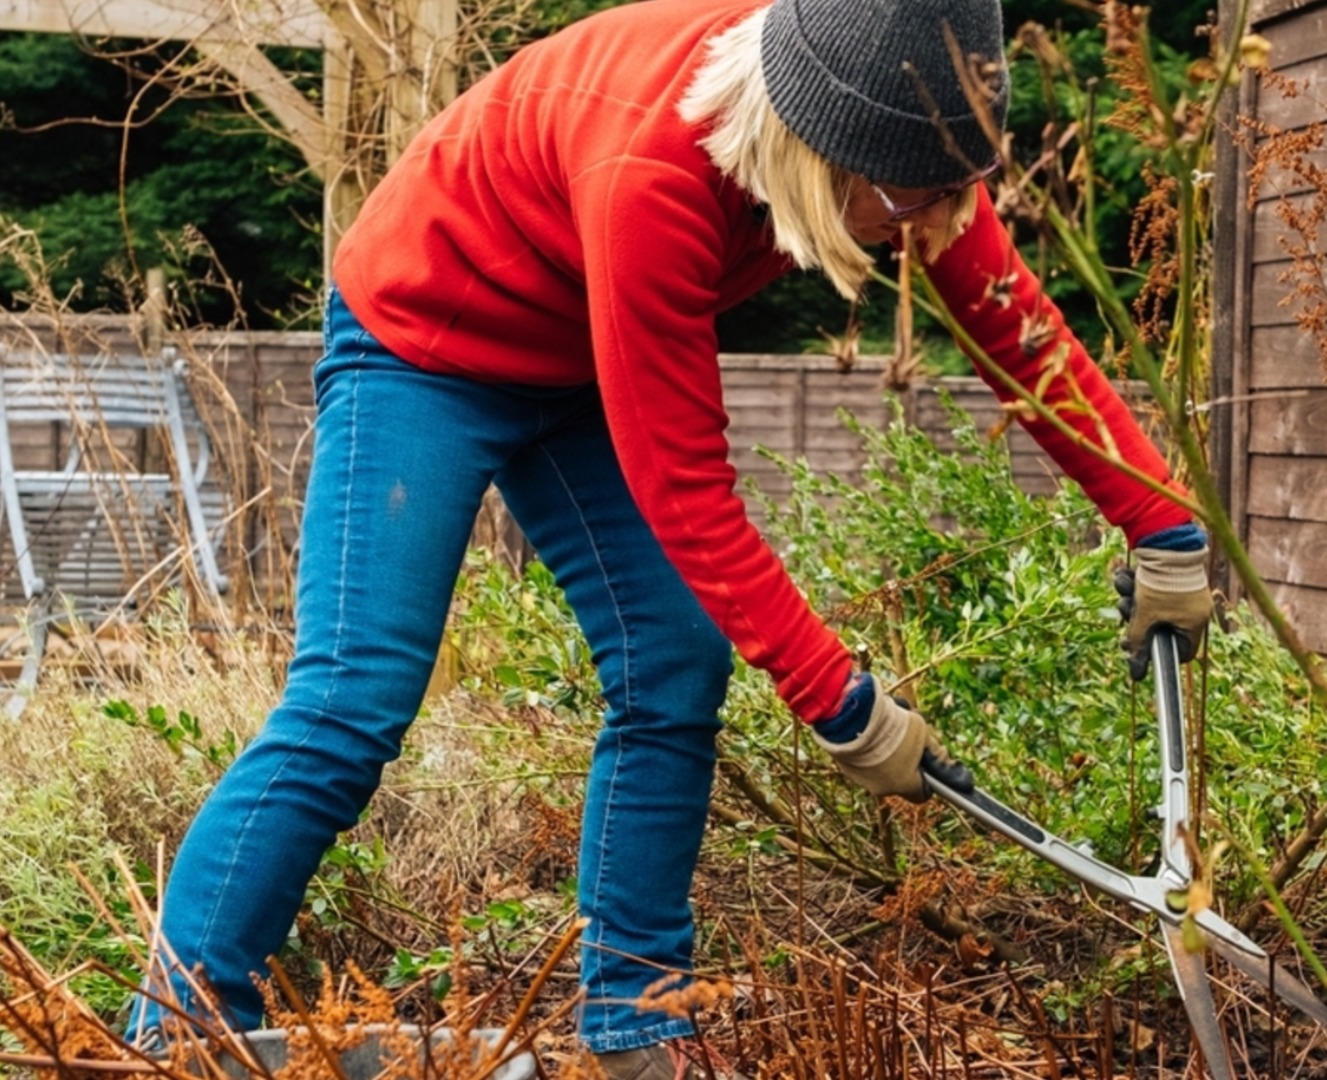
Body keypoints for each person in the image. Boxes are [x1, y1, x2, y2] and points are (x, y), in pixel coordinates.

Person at [132, 0, 1212, 1076]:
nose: (930, 222)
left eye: (951, 192)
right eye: (909, 200)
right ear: (816, 149)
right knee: (353, 693)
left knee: (675, 663)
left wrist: (1158, 520)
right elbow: (686, 491)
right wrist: (835, 698)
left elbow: (1017, 327)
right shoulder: (654, 174)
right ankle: (177, 1032)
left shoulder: (901, 129)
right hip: (427, 336)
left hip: (573, 351)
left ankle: (635, 1021)